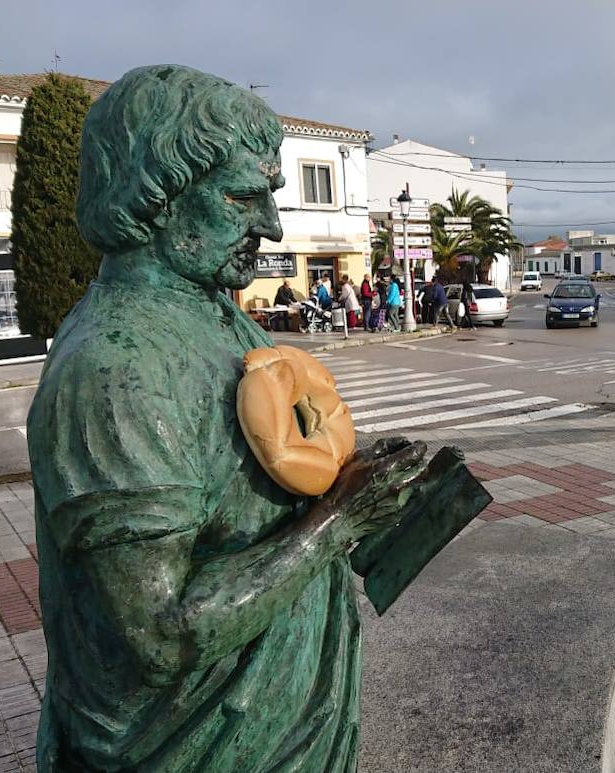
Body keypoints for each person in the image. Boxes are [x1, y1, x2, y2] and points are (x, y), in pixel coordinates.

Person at [28, 63, 425, 772]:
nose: (271, 225)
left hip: (281, 728)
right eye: (242, 196)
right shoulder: (116, 373)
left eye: (269, 194)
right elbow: (159, 634)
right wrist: (340, 522)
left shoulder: (217, 317)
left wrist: (353, 476)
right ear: (153, 200)